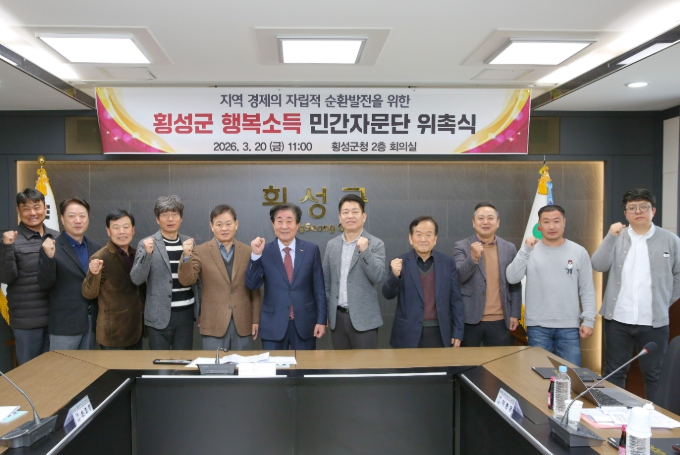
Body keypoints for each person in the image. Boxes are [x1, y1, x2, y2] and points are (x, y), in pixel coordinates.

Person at [591, 189, 680, 401]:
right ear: (625, 213)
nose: (638, 211)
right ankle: (611, 414)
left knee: (655, 374)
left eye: (643, 207)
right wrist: (610, 237)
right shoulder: (617, 237)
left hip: (654, 322)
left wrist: (664, 301)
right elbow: (598, 264)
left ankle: (656, 416)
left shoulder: (670, 240)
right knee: (614, 371)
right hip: (618, 320)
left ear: (653, 211)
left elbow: (678, 274)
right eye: (632, 208)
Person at [506, 205, 596, 366]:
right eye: (546, 222)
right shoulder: (529, 250)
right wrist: (525, 250)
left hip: (569, 326)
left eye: (556, 221)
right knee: (538, 376)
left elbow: (587, 289)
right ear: (539, 225)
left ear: (564, 222)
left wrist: (589, 320)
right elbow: (512, 278)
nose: (552, 226)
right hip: (537, 327)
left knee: (570, 375)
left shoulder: (579, 252)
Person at [178, 205, 262, 350]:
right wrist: (186, 256)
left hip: (243, 323)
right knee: (213, 364)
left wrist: (255, 319)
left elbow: (255, 289)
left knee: (243, 364)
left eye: (228, 224)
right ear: (211, 226)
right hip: (213, 324)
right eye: (219, 224)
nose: (224, 228)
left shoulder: (249, 251)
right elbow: (186, 280)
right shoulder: (200, 251)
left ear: (236, 224)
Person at [245, 203, 326, 350]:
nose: (284, 226)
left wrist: (321, 320)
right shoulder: (264, 251)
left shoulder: (311, 250)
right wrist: (255, 256)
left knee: (304, 364)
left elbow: (319, 288)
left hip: (305, 323)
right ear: (273, 224)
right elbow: (252, 284)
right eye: (279, 221)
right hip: (273, 324)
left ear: (297, 224)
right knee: (274, 365)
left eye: (289, 221)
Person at [382, 216, 464, 348]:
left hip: (440, 332)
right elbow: (388, 294)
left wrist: (458, 331)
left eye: (428, 235)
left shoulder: (447, 263)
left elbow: (456, 300)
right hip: (407, 333)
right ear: (410, 238)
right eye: (419, 234)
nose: (423, 239)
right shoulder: (400, 262)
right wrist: (395, 276)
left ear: (435, 239)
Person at [130, 195, 199, 350]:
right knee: (158, 362)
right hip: (157, 314)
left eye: (174, 214)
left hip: (185, 314)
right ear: (157, 219)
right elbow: (136, 278)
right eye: (165, 214)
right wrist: (147, 254)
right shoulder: (147, 243)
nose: (170, 219)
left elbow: (196, 279)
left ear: (181, 218)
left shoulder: (189, 243)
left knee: (183, 361)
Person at [0, 189, 59, 364]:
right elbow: (6, 277)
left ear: (45, 208)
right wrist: (7, 248)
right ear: (18, 211)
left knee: (56, 372)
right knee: (29, 373)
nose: (32, 213)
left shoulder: (57, 237)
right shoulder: (10, 241)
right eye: (26, 208)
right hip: (27, 322)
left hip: (56, 320)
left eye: (36, 207)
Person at [453, 203, 522, 347]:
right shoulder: (461, 246)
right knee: (468, 360)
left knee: (499, 361)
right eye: (481, 218)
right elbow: (458, 277)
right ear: (473, 222)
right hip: (469, 319)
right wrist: (473, 258)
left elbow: (515, 283)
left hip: (500, 319)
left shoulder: (509, 248)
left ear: (498, 222)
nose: (485, 222)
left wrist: (515, 313)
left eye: (490, 218)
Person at [323, 194, 385, 349]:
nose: (350, 216)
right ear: (340, 217)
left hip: (364, 320)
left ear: (364, 216)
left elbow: (377, 276)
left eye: (355, 212)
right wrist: (326, 313)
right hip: (337, 319)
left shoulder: (375, 244)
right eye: (345, 212)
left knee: (365, 363)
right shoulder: (332, 245)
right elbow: (326, 283)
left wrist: (365, 252)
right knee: (340, 363)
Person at [38, 198, 100, 350]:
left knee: (89, 366)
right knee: (62, 365)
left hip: (92, 322)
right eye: (71, 216)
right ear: (62, 219)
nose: (78, 220)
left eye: (82, 216)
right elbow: (45, 283)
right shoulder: (52, 247)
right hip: (64, 324)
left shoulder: (96, 248)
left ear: (88, 219)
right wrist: (49, 257)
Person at [82, 210, 144, 350]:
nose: (122, 232)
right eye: (116, 227)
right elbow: (89, 293)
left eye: (126, 227)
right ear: (108, 231)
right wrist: (93, 273)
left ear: (133, 230)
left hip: (136, 328)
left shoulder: (138, 254)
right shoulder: (100, 257)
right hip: (113, 332)